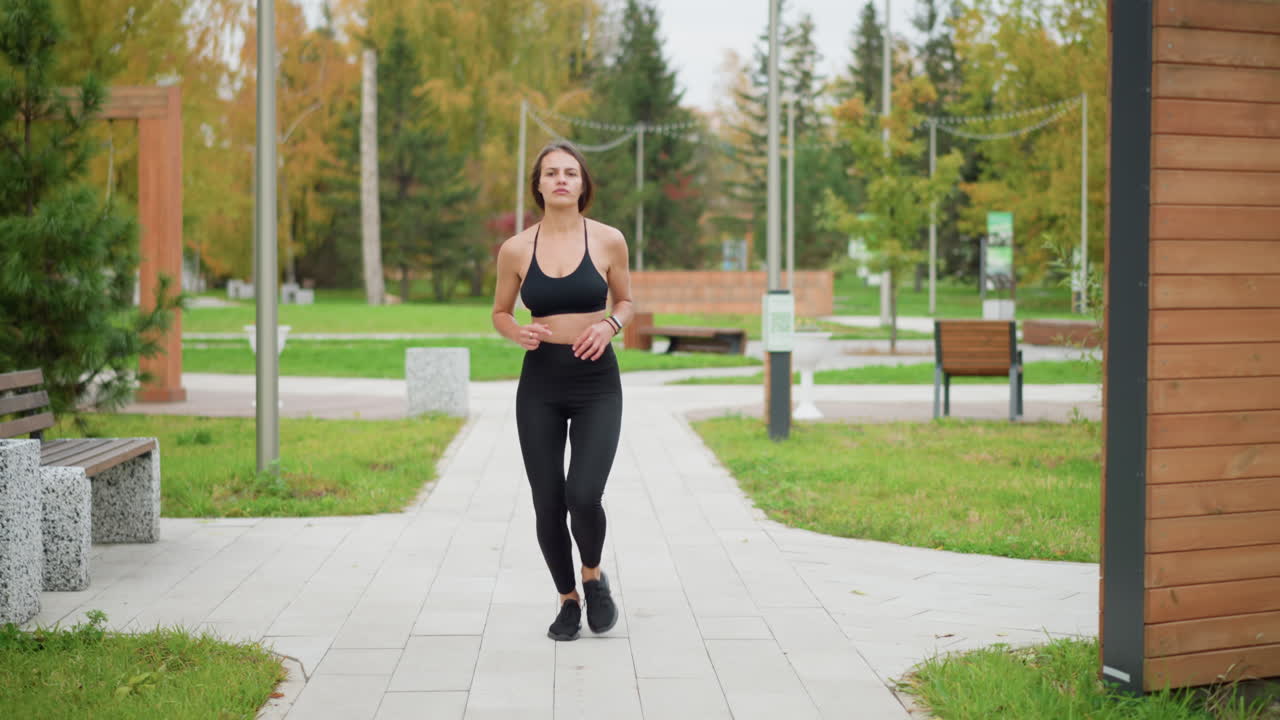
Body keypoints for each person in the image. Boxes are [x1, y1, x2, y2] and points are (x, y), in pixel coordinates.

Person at [491, 141, 635, 641]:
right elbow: (500, 312)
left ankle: (593, 576)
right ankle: (568, 600)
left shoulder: (609, 241)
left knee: (583, 494)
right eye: (550, 172)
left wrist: (611, 324)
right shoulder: (515, 249)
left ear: (582, 184)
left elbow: (627, 300)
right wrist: (516, 332)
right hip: (541, 383)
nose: (560, 179)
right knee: (548, 502)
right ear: (538, 185)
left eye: (570, 172)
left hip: (597, 381)